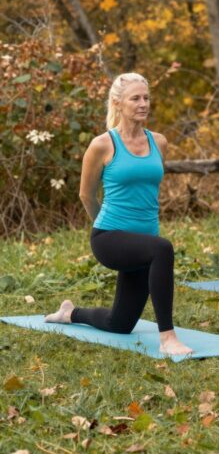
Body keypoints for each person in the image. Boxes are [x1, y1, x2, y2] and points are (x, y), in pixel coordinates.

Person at [45, 73, 192, 356]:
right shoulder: (102, 144)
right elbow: (86, 194)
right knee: (163, 249)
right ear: (118, 102)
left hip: (144, 241)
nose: (143, 104)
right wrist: (111, 228)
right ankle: (168, 338)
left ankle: (70, 313)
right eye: (135, 98)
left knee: (120, 323)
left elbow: (148, 186)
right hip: (109, 237)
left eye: (146, 98)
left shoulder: (158, 142)